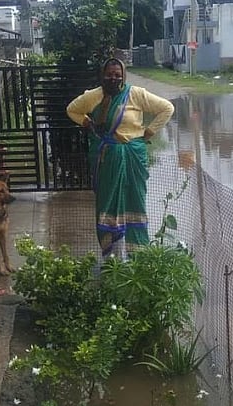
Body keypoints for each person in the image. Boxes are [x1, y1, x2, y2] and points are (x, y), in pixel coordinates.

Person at [67, 57, 174, 258]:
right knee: (108, 203)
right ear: (102, 75)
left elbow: (167, 108)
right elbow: (71, 110)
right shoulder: (93, 96)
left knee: (135, 201)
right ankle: (112, 258)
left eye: (117, 75)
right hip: (107, 159)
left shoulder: (136, 94)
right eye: (109, 74)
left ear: (123, 76)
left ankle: (138, 257)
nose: (113, 78)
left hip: (133, 156)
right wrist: (87, 123)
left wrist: (149, 132)